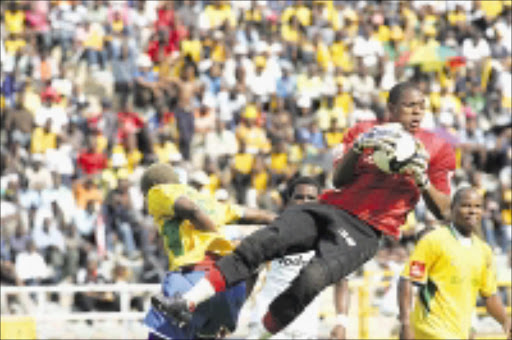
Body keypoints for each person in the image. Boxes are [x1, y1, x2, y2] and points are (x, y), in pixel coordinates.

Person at [153, 81, 457, 337]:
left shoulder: (437, 148)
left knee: (310, 280)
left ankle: (260, 335)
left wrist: (422, 179)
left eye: (421, 106)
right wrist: (360, 146)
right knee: (260, 243)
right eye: (409, 105)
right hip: (331, 208)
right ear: (390, 108)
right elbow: (339, 179)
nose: (417, 112)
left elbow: (444, 210)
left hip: (367, 229)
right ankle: (187, 303)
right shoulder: (365, 130)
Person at [140, 163, 276, 340]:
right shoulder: (208, 201)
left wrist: (216, 238)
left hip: (191, 278)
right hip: (229, 286)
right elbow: (256, 215)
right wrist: (290, 221)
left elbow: (191, 210)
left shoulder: (158, 191)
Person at [398, 187, 511, 340]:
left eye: (477, 206)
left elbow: (489, 296)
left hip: (459, 334)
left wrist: (506, 320)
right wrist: (405, 324)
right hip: (429, 331)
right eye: (466, 205)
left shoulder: (484, 251)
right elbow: (407, 281)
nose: (472, 211)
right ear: (452, 209)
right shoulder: (433, 240)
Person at [248, 176, 349, 340]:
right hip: (265, 320)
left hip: (305, 327)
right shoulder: (272, 232)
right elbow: (250, 275)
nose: (305, 202)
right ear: (289, 202)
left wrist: (341, 322)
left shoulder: (329, 239)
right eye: (299, 197)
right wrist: (232, 314)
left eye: (311, 198)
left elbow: (342, 281)